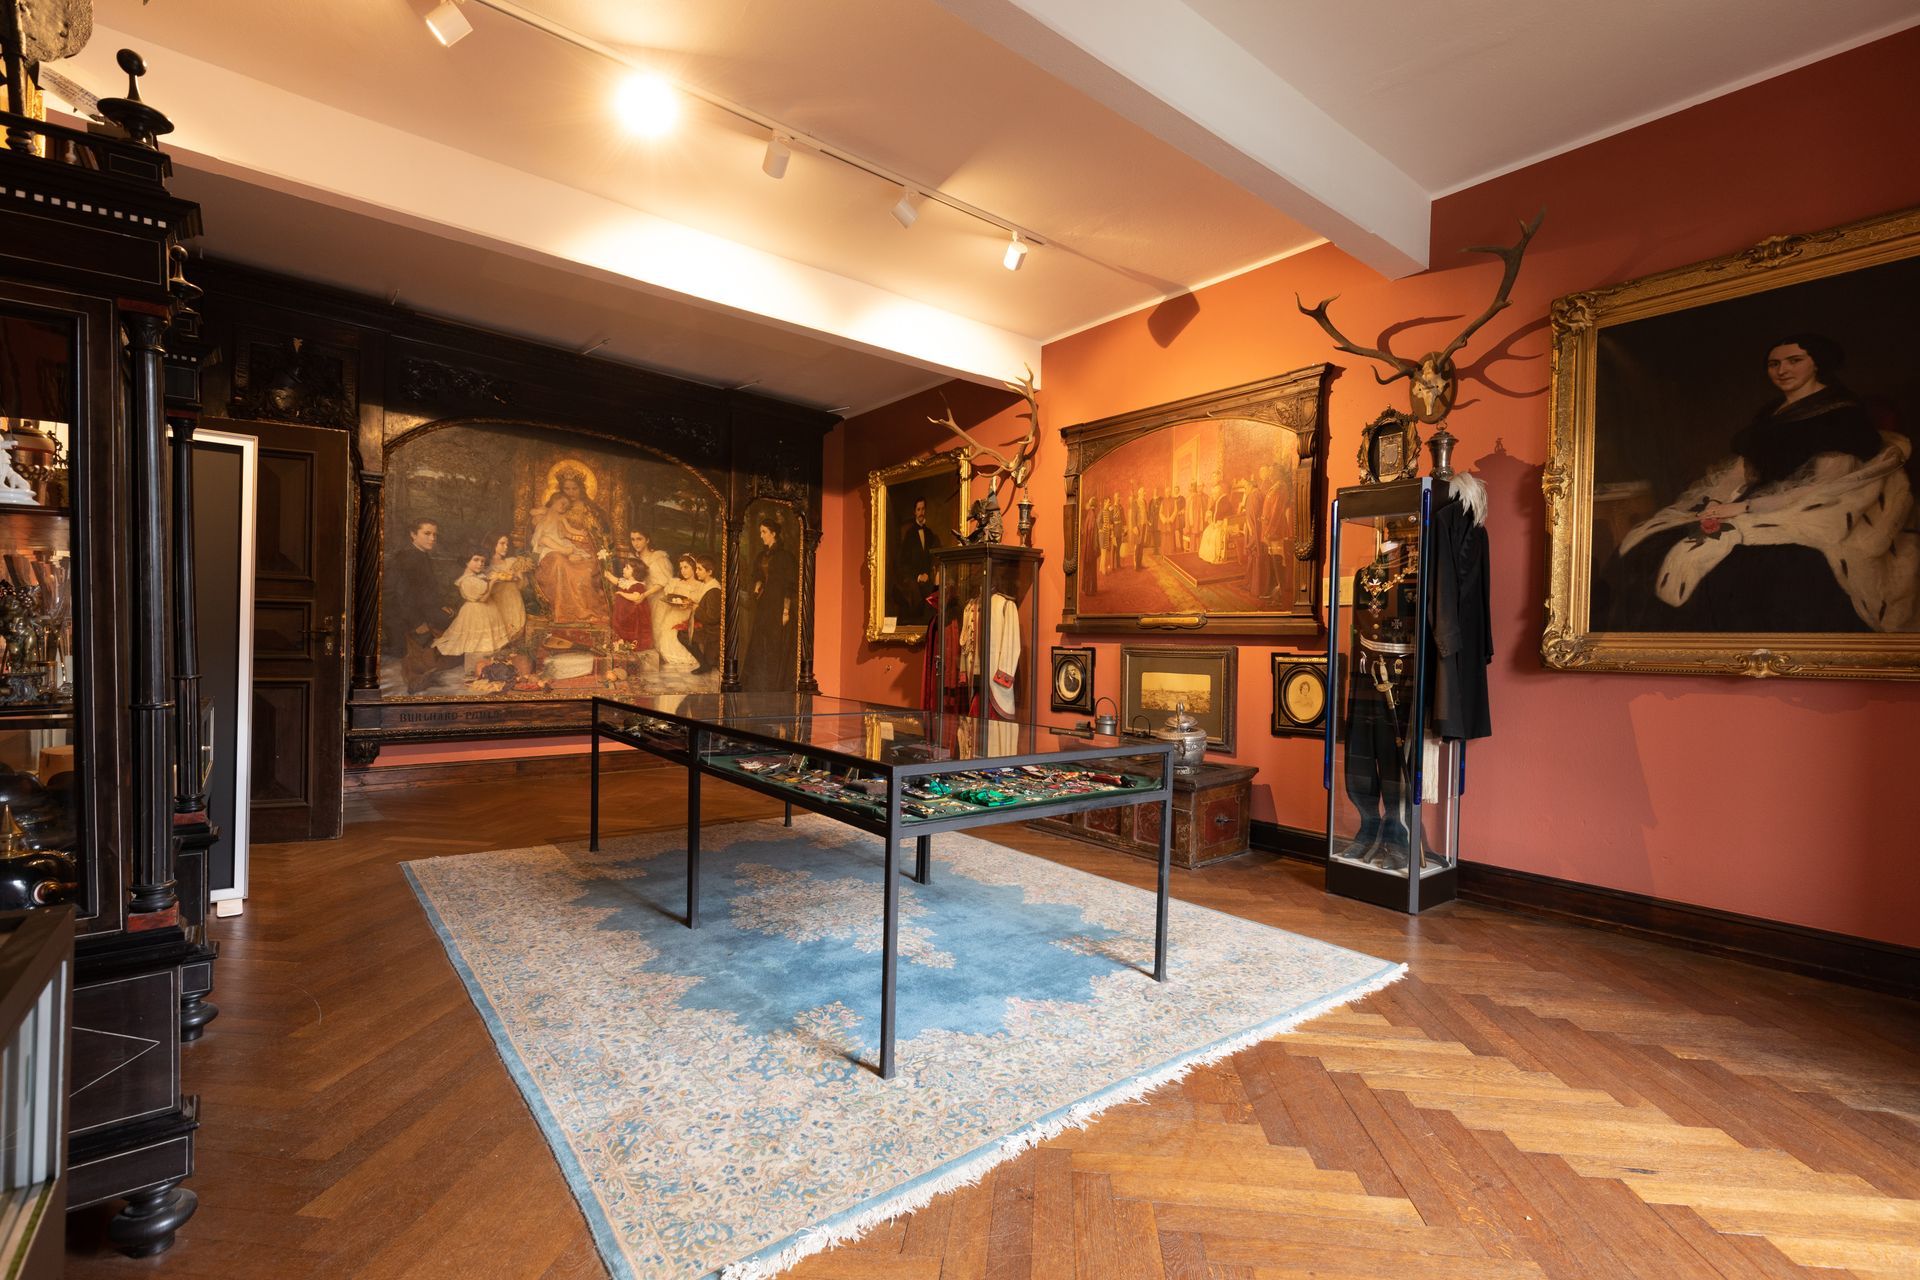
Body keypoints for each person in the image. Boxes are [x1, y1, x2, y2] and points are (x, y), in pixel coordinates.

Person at [1597, 334, 1917, 632]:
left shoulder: (1841, 414)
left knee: (1751, 564)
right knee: (1651, 543)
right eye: (1774, 364)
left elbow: (1826, 486)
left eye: (1794, 360)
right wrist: (1714, 503)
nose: (1782, 370)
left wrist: (1745, 507)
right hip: (1751, 499)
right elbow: (1745, 468)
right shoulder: (1772, 412)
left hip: (1813, 505)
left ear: (1817, 362)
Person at [531, 491, 609, 625]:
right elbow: (532, 514)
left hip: (559, 544)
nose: (564, 507)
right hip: (546, 548)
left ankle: (577, 610)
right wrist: (542, 510)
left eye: (567, 506)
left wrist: (581, 533)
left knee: (579, 569)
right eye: (562, 503)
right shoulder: (544, 514)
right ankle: (564, 552)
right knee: (551, 548)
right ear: (554, 501)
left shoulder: (562, 518)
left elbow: (569, 530)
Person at [433, 552, 517, 675]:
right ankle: (476, 670)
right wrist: (492, 582)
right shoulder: (467, 581)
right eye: (476, 560)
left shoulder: (478, 577)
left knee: (488, 641)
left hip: (488, 612)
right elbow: (483, 599)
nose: (480, 564)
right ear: (467, 562)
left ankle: (489, 669)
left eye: (482, 561)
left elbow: (486, 589)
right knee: (476, 642)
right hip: (475, 613)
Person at [740, 515, 796, 690]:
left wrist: (785, 611)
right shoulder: (761, 555)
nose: (761, 535)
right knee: (759, 644)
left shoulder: (785, 557)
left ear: (773, 534)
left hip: (778, 606)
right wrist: (758, 584)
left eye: (764, 532)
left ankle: (773, 686)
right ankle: (757, 686)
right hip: (764, 605)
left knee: (774, 645)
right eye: (760, 532)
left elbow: (789, 587)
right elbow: (758, 575)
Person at [653, 555, 705, 670]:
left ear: (693, 567)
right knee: (668, 634)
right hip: (673, 614)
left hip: (688, 616)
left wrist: (690, 604)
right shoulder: (676, 583)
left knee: (686, 636)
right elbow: (670, 598)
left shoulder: (700, 586)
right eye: (681, 568)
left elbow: (700, 604)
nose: (683, 571)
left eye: (686, 567)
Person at [894, 497, 939, 625]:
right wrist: (918, 576)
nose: (921, 512)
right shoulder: (909, 534)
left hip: (927, 576)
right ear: (915, 512)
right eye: (918, 509)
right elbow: (903, 562)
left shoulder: (930, 533)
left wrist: (928, 574)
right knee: (916, 595)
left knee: (935, 593)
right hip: (912, 577)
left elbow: (932, 558)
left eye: (923, 509)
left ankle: (929, 626)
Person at [603, 559, 655, 650]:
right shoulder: (625, 582)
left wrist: (622, 594)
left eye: (627, 568)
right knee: (618, 626)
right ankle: (620, 643)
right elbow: (616, 581)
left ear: (635, 572)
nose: (623, 569)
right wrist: (608, 575)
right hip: (622, 612)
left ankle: (629, 644)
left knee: (630, 628)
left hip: (632, 613)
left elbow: (636, 597)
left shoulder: (638, 585)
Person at [487, 534, 529, 645]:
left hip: (513, 602)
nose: (506, 547)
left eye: (507, 544)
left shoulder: (511, 562)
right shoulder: (485, 566)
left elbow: (522, 585)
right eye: (502, 543)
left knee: (515, 631)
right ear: (492, 544)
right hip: (496, 604)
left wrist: (516, 576)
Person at [684, 555, 723, 673]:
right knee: (683, 632)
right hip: (706, 625)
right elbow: (703, 605)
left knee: (683, 635)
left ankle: (705, 665)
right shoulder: (707, 584)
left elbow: (712, 618)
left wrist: (696, 608)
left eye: (700, 569)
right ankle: (706, 664)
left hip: (711, 631)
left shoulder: (714, 590)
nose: (696, 572)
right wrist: (692, 604)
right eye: (696, 569)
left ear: (709, 572)